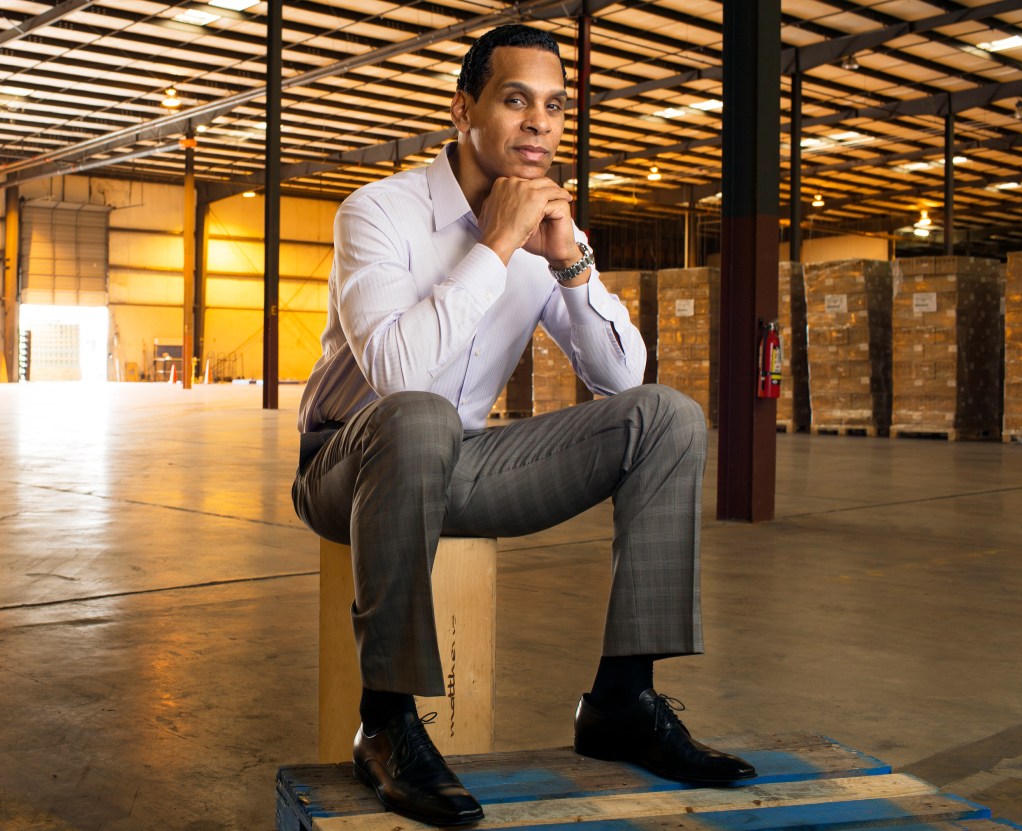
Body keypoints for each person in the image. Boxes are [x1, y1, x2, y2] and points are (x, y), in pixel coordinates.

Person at [291, 23, 756, 828]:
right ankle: (388, 721)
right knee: (417, 418)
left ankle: (622, 699)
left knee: (667, 417)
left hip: (460, 458)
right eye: (516, 101)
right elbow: (399, 375)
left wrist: (568, 258)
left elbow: (621, 376)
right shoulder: (377, 213)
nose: (540, 123)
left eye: (554, 107)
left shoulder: (549, 226)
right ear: (462, 109)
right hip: (351, 463)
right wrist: (498, 243)